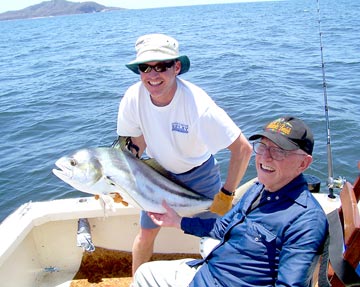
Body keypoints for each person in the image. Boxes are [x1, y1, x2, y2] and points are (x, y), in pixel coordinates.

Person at [133, 116, 329, 287]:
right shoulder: (258, 189)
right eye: (262, 147)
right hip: (209, 272)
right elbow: (222, 227)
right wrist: (177, 221)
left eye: (279, 151)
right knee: (145, 272)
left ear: (304, 163)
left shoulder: (307, 222)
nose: (265, 157)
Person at [116, 33, 252, 275]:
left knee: (217, 234)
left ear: (176, 67)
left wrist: (227, 193)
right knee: (145, 234)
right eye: (145, 68)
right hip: (158, 175)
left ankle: (222, 278)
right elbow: (136, 141)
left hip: (200, 175)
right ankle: (138, 281)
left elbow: (243, 149)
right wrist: (119, 181)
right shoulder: (132, 98)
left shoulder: (199, 106)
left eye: (161, 66)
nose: (152, 74)